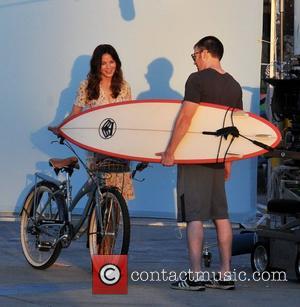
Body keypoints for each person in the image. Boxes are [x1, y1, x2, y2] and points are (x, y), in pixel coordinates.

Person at [157, 36, 243, 291]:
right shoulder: (234, 85)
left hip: (196, 157)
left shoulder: (197, 80)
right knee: (221, 215)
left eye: (194, 56)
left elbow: (186, 118)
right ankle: (226, 274)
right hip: (218, 158)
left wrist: (170, 151)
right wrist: (228, 163)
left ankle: (195, 276)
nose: (194, 61)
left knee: (195, 216)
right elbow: (235, 129)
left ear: (204, 53)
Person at [51, 44, 134, 200]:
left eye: (112, 62)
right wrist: (61, 127)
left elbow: (128, 116)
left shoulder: (124, 87)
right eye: (103, 63)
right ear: (97, 65)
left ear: (117, 62)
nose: (109, 67)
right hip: (96, 146)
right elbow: (76, 113)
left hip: (120, 146)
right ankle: (94, 224)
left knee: (118, 197)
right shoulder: (87, 86)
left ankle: (114, 224)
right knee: (99, 195)